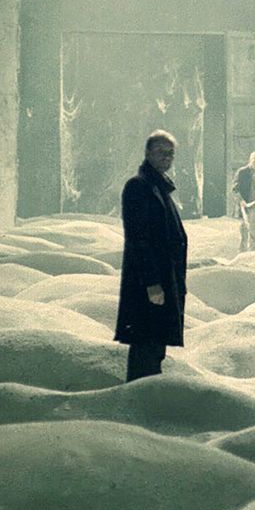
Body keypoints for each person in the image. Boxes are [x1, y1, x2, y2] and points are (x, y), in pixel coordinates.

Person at [114, 129, 188, 382]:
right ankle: (139, 395)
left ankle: (145, 392)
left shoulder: (158, 187)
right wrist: (152, 283)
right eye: (160, 152)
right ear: (148, 153)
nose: (166, 158)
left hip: (163, 281)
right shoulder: (139, 186)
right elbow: (139, 239)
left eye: (170, 153)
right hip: (150, 285)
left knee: (155, 346)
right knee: (146, 345)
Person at [231, 150, 255, 252]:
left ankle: (252, 252)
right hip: (244, 204)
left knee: (254, 229)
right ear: (250, 160)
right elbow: (235, 189)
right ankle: (242, 251)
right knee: (244, 228)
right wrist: (241, 200)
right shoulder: (242, 172)